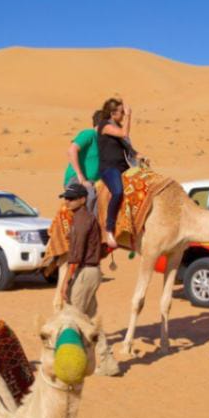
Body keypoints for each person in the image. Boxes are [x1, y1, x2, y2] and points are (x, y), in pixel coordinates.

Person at [60, 182, 118, 375]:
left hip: (85, 272)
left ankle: (73, 361)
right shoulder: (81, 218)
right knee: (91, 319)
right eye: (66, 198)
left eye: (71, 198)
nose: (67, 201)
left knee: (73, 316)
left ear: (83, 199)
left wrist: (65, 281)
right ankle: (107, 362)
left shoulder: (83, 220)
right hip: (89, 271)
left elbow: (76, 254)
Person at [96, 97, 135, 248]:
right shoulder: (104, 126)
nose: (124, 114)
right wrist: (130, 116)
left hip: (124, 166)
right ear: (113, 113)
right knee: (117, 192)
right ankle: (109, 228)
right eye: (121, 112)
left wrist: (138, 155)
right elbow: (124, 133)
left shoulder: (116, 126)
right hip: (109, 168)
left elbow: (128, 148)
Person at [63, 110, 103, 214]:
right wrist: (81, 177)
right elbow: (71, 150)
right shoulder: (89, 134)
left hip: (94, 182)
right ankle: (86, 226)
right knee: (91, 195)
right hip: (77, 179)